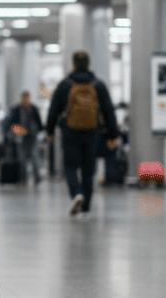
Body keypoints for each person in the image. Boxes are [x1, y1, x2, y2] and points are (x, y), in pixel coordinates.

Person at [46, 51, 118, 217]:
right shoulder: (98, 85)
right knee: (88, 169)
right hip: (92, 132)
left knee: (70, 166)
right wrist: (113, 135)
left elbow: (53, 110)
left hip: (70, 131)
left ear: (73, 65)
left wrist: (49, 130)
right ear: (88, 64)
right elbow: (108, 111)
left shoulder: (65, 85)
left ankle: (76, 193)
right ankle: (86, 206)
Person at [6, 91, 44, 183]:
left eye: (27, 98)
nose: (26, 100)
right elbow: (11, 124)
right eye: (24, 98)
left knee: (35, 158)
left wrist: (38, 131)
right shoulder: (17, 109)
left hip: (32, 137)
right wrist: (17, 131)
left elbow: (39, 124)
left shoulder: (34, 109)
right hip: (21, 138)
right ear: (22, 99)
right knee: (22, 159)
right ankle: (23, 178)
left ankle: (37, 177)